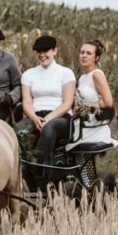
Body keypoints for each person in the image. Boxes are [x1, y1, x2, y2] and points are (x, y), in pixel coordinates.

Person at [20, 34, 75, 183]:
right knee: (18, 130)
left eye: (46, 51)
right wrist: (34, 118)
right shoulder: (28, 74)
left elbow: (67, 103)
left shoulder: (66, 73)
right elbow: (27, 102)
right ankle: (20, 172)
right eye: (39, 51)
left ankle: (38, 175)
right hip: (35, 116)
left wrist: (48, 119)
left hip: (61, 118)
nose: (42, 55)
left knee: (49, 128)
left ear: (54, 51)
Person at [66, 39, 118, 150]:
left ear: (96, 58)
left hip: (91, 125)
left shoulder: (97, 75)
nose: (84, 56)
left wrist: (87, 106)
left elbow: (108, 102)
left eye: (89, 53)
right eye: (82, 52)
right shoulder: (82, 77)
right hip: (81, 120)